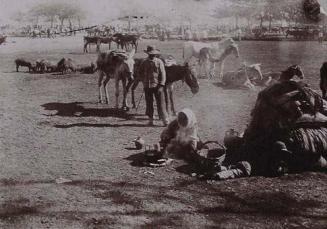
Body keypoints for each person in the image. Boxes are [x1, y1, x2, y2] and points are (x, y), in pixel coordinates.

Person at [139, 46, 169, 126]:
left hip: (157, 86)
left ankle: (165, 120)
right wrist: (143, 81)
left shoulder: (159, 62)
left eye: (154, 54)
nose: (152, 55)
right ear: (148, 54)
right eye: (150, 54)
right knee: (149, 103)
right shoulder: (144, 62)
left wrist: (161, 85)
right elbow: (140, 73)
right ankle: (151, 119)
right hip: (147, 86)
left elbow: (163, 74)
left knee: (161, 103)